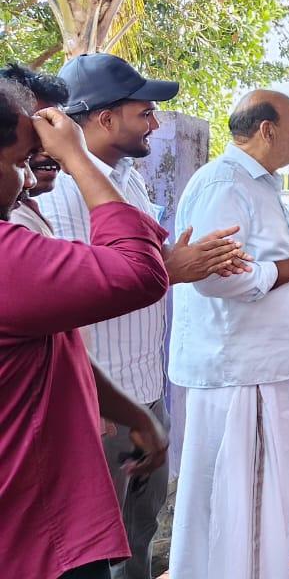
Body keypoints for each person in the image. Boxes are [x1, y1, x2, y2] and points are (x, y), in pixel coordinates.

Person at [38, 53, 245, 579]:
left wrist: (190, 260)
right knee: (98, 555)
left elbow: (144, 263)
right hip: (98, 404)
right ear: (104, 119)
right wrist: (168, 269)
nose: (155, 123)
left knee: (139, 538)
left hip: (142, 391)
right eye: (144, 112)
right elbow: (64, 300)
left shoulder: (127, 181)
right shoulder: (61, 190)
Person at [168, 90, 289, 579]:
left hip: (263, 367)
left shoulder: (261, 185)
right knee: (239, 501)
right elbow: (213, 277)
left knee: (259, 500)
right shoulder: (225, 184)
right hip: (240, 370)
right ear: (267, 130)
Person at [1, 93, 171, 579]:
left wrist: (131, 411)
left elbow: (53, 347)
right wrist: (76, 158)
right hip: (34, 529)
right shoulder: (8, 256)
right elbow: (140, 272)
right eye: (19, 163)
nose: (31, 181)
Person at [1, 63, 67, 236]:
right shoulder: (12, 228)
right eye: (35, 129)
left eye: (53, 128)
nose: (49, 147)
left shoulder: (25, 208)